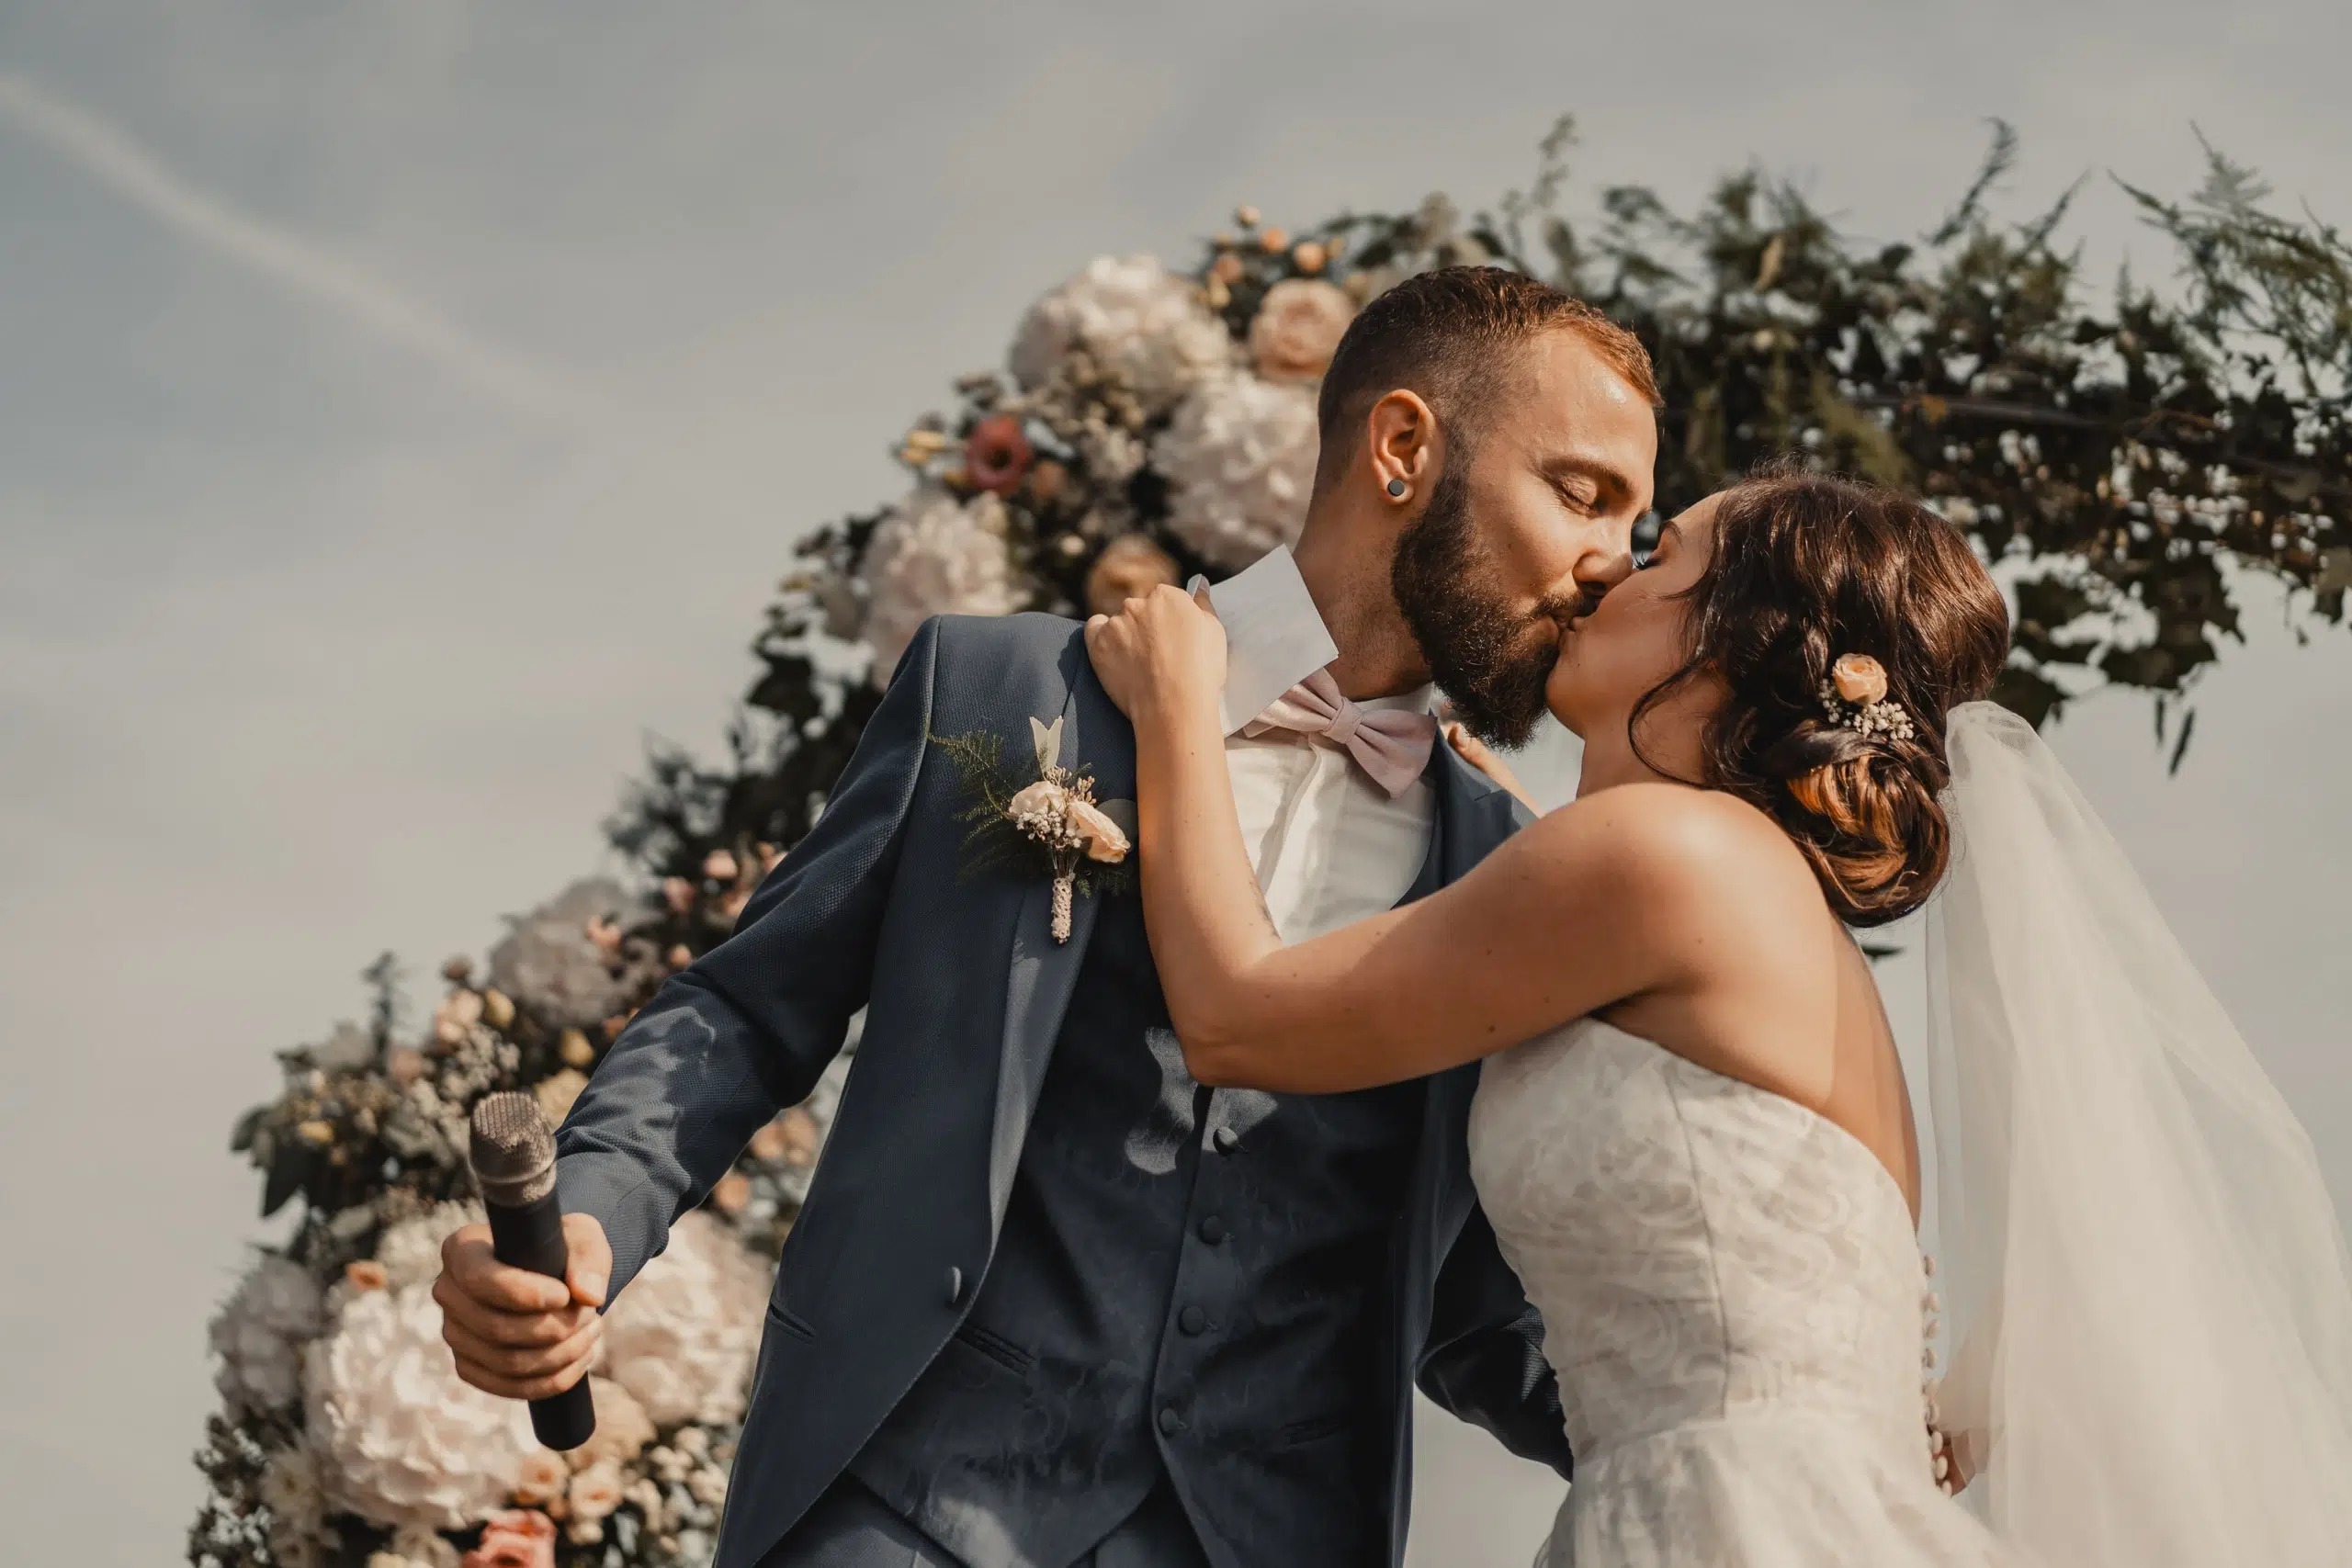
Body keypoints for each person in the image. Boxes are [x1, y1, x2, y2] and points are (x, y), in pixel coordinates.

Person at [430, 266, 1664, 1568]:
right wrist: (589, 1212)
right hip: (898, 1502)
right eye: (1583, 493)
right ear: (1403, 447)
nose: (1612, 566)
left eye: (1640, 526)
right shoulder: (1005, 688)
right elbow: (745, 1010)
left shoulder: (1511, 870)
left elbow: (1478, 1304)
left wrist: (1763, 1433)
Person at [1083, 467, 2352, 1565]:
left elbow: (1244, 1020)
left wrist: (1177, 712)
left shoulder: (1657, 855)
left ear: (1735, 640)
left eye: (1662, 553)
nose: (1604, 573)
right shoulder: (1747, 899)